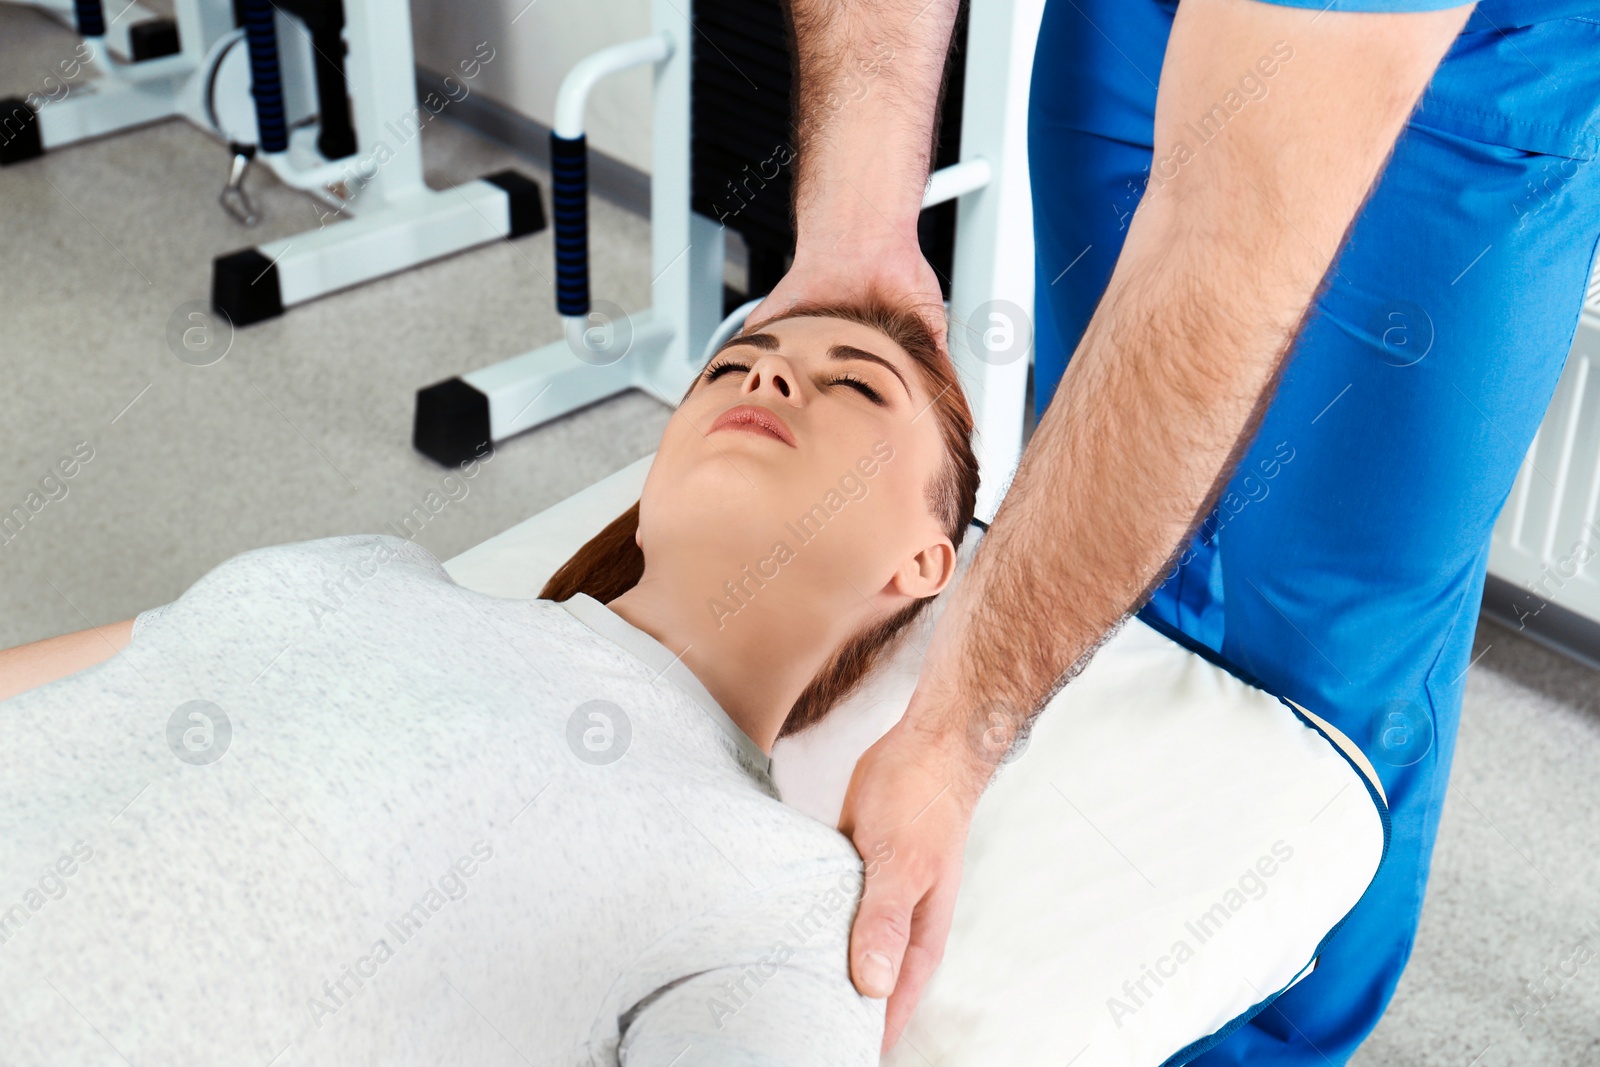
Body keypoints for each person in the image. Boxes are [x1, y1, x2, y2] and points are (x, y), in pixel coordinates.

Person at [752, 0, 1600, 1060]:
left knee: (1322, 657)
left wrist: (947, 741)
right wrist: (857, 228)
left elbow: (1230, 226)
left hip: (1449, 76)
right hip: (1133, 26)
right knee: (1117, 573)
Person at [0, 304, 978, 1065]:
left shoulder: (785, 894)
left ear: (924, 563)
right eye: (727, 365)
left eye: (854, 386)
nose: (762, 369)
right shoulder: (359, 570)